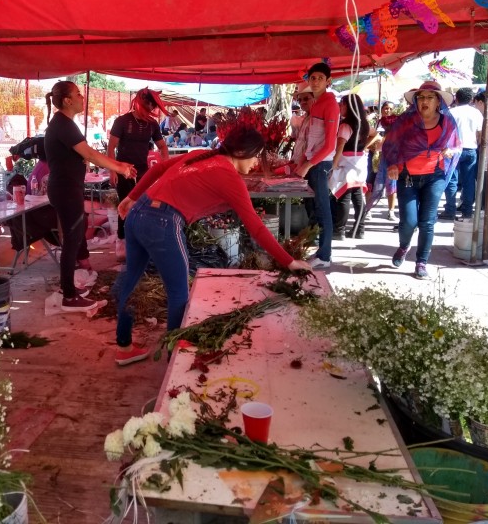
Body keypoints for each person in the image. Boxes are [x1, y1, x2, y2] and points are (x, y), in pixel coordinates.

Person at [112, 127, 312, 366]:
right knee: (179, 292)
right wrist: (289, 261)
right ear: (240, 151)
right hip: (163, 222)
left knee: (131, 282)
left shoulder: (201, 155)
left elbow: (157, 168)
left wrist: (132, 197)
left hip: (138, 214)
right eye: (255, 155)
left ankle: (124, 347)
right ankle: (174, 357)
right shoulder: (230, 177)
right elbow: (257, 228)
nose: (256, 162)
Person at [44, 81, 137, 312]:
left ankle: (70, 290)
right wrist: (119, 168)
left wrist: (117, 164)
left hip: (67, 188)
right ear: (67, 100)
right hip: (65, 190)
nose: (82, 98)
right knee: (72, 240)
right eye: (78, 94)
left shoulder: (64, 124)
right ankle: (68, 295)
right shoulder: (63, 124)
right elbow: (90, 154)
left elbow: (85, 155)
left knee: (75, 237)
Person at [383, 81, 461, 280]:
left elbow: (456, 146)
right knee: (408, 221)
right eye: (421, 97)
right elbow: (390, 144)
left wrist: (450, 151)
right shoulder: (405, 121)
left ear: (438, 102)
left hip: (434, 177)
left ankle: (421, 262)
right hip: (407, 176)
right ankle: (404, 246)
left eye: (430, 97)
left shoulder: (447, 123)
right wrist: (392, 164)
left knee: (427, 222)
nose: (425, 101)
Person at [108, 88, 170, 261]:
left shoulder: (152, 124)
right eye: (147, 106)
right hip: (123, 170)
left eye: (152, 107)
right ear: (137, 103)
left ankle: (138, 241)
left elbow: (163, 147)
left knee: (143, 206)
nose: (149, 110)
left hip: (143, 172)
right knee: (125, 204)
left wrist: (165, 167)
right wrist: (112, 170)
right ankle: (121, 240)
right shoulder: (122, 121)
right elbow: (111, 147)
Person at [294, 62, 340, 269]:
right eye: (313, 78)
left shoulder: (330, 104)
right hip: (314, 163)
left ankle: (325, 255)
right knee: (318, 209)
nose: (316, 81)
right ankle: (322, 252)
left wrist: (307, 164)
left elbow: (330, 143)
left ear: (328, 81)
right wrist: (303, 161)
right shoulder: (317, 104)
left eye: (320, 78)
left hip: (321, 164)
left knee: (324, 209)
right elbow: (312, 140)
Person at [330, 94, 370, 239]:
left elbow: (340, 145)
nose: (340, 106)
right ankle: (359, 229)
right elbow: (375, 135)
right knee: (358, 196)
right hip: (359, 161)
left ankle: (339, 230)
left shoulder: (346, 124)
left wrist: (333, 164)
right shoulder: (363, 123)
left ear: (350, 106)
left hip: (346, 162)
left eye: (342, 104)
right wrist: (364, 146)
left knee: (344, 196)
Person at [439, 88, 482, 221]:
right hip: (470, 149)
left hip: (452, 150)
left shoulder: (450, 112)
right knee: (469, 182)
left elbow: (444, 133)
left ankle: (450, 210)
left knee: (452, 180)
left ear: (456, 98)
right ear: (471, 99)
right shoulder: (477, 113)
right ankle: (467, 212)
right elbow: (479, 133)